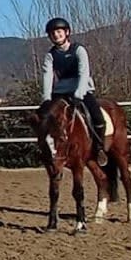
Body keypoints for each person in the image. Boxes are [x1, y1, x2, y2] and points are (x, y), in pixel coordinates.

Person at [41, 16, 107, 164]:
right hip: (61, 92)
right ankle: (49, 150)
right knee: (45, 118)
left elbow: (84, 73)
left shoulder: (79, 50)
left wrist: (79, 93)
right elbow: (47, 76)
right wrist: (46, 99)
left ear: (67, 32)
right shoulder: (50, 55)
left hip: (81, 90)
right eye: (52, 33)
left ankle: (99, 148)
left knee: (97, 116)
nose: (56, 35)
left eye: (58, 31)